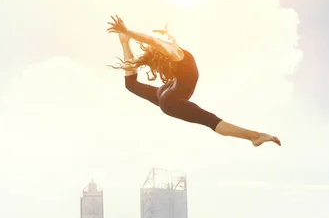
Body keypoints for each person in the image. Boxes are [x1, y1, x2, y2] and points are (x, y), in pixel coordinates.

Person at [107, 15, 281, 147]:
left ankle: (124, 43)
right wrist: (127, 31)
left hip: (166, 93)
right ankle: (254, 136)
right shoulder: (177, 54)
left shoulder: (176, 56)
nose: (167, 39)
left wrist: (126, 39)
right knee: (210, 120)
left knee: (131, 84)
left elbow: (162, 41)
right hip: (170, 100)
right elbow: (153, 40)